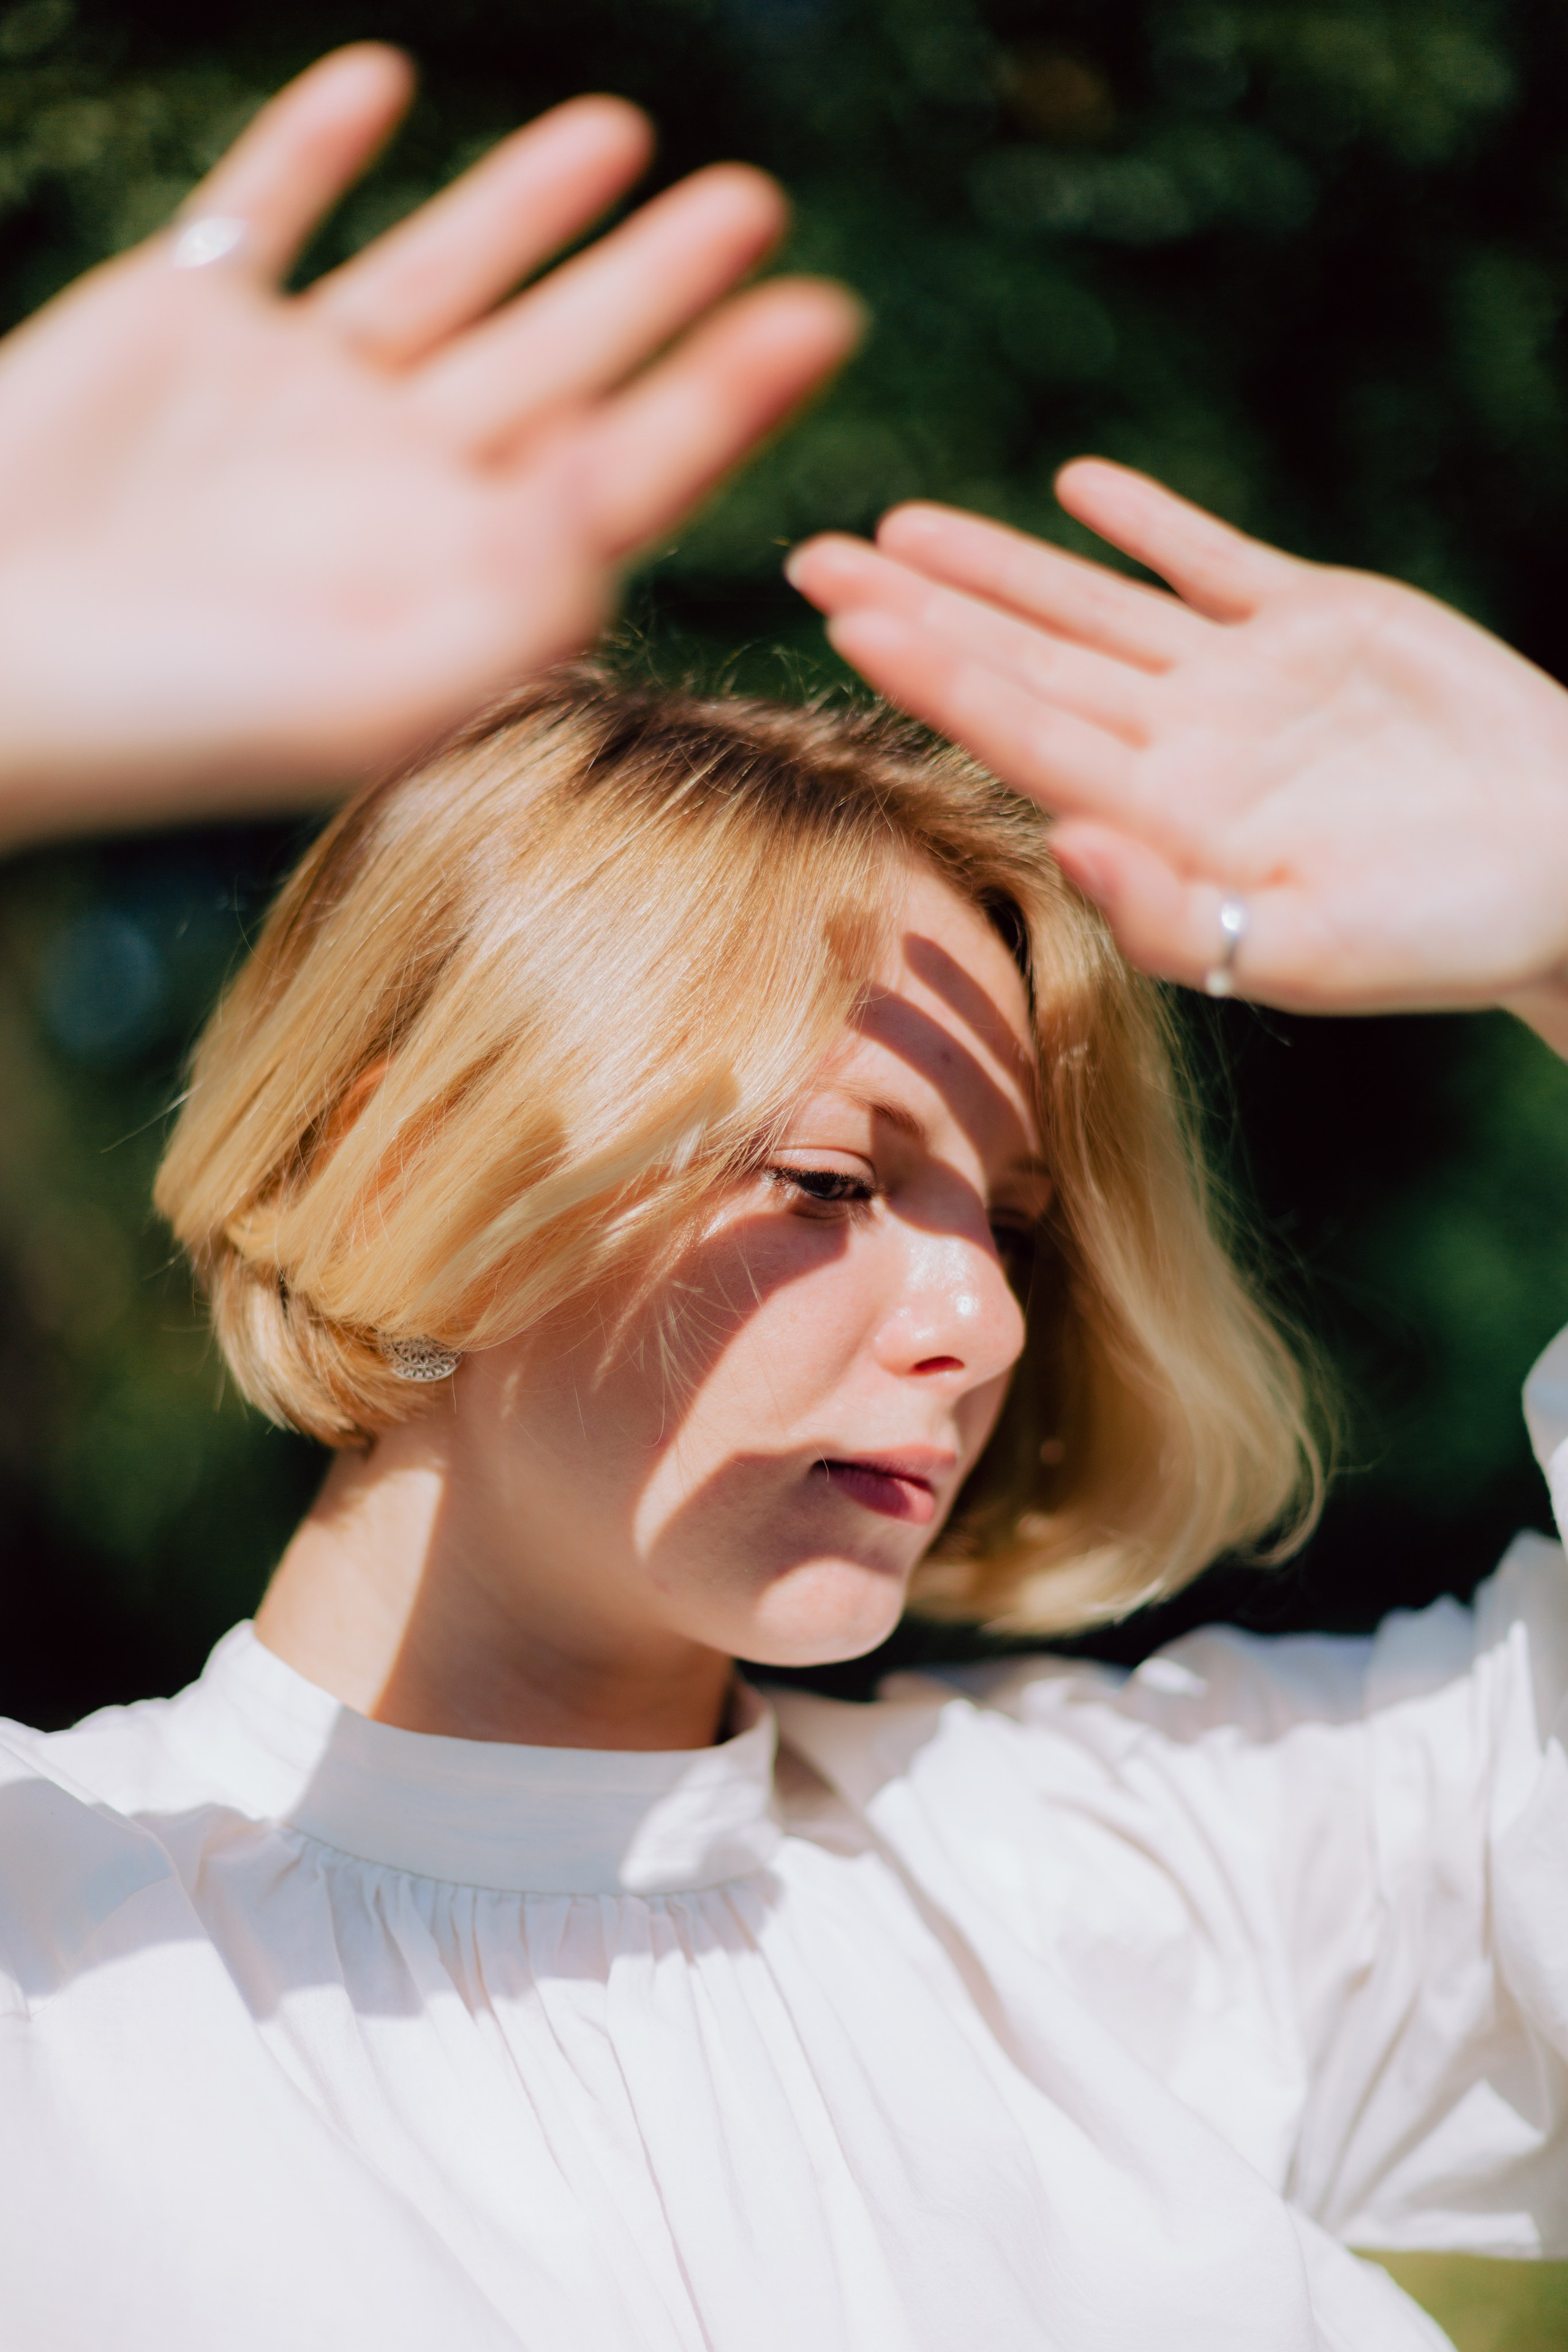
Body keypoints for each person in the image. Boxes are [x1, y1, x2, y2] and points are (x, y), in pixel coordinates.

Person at [0, 36, 1564, 2352]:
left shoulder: (1160, 1896)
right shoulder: (60, 1944)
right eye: (832, 1177)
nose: (982, 1322)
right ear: (398, 1139)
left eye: (1007, 1217)